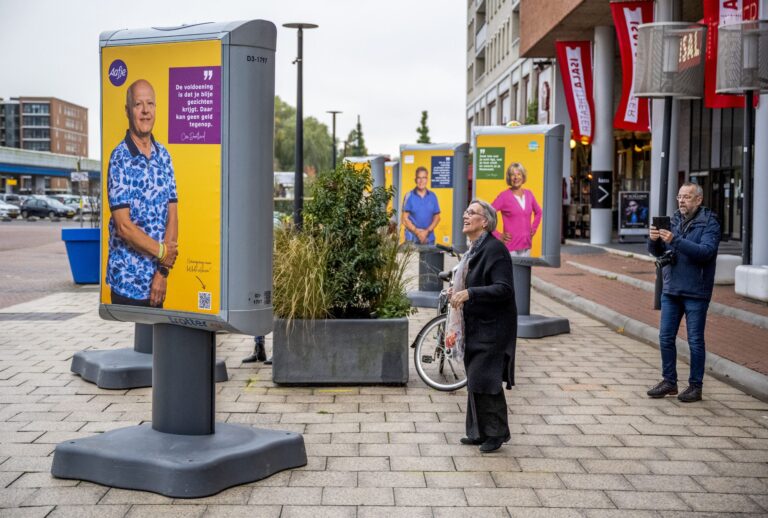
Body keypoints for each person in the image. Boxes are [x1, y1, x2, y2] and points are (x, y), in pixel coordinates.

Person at [449, 199, 517, 453]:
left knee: (485, 380)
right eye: (465, 211)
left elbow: (504, 289)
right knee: (475, 379)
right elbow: (469, 279)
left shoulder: (495, 249)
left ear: (485, 221)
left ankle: (497, 434)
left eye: (472, 213)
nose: (465, 215)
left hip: (493, 328)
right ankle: (478, 432)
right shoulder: (475, 249)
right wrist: (455, 290)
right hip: (476, 326)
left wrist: (470, 293)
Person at [107, 79, 178, 307]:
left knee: (155, 343)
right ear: (128, 111)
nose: (146, 111)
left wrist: (163, 272)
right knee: (132, 343)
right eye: (138, 104)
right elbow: (124, 227)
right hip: (127, 285)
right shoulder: (119, 158)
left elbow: (173, 216)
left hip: (158, 284)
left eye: (151, 104)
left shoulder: (164, 156)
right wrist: (162, 253)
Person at [647, 182, 720, 403]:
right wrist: (653, 241)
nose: (681, 201)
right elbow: (659, 251)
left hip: (696, 291)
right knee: (665, 336)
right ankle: (669, 381)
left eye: (686, 197)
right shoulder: (674, 220)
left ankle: (695, 386)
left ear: (699, 200)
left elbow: (705, 252)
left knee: (695, 340)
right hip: (671, 288)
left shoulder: (710, 222)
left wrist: (674, 239)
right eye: (679, 196)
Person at [491, 162, 542, 257]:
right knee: (511, 272)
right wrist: (498, 235)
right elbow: (487, 214)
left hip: (526, 247)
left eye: (519, 174)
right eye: (512, 175)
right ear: (509, 178)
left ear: (523, 177)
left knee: (524, 272)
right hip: (510, 249)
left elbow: (539, 212)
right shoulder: (504, 196)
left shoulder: (529, 194)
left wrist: (533, 228)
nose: (516, 177)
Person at [402, 166, 440, 244]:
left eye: (424, 178)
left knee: (429, 256)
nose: (421, 181)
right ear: (415, 180)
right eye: (419, 178)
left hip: (429, 238)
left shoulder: (433, 196)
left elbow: (437, 217)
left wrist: (426, 232)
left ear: (427, 180)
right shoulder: (409, 196)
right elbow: (404, 219)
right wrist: (418, 233)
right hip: (412, 238)